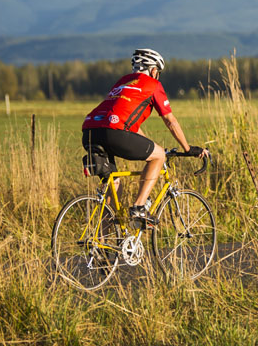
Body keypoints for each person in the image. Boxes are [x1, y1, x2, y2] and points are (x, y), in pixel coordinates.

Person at [82, 48, 205, 224]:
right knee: (159, 155)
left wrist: (149, 144)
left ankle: (102, 244)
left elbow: (128, 123)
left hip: (90, 131)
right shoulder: (152, 84)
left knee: (113, 185)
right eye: (158, 72)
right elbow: (170, 121)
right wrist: (188, 148)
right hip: (114, 132)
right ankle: (139, 208)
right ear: (154, 70)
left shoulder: (122, 82)